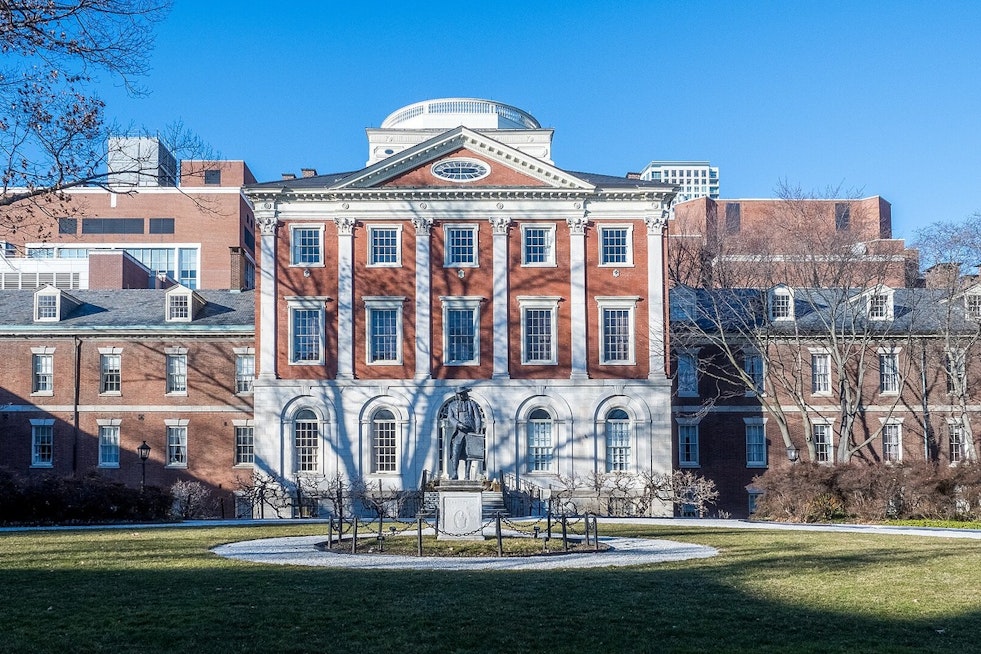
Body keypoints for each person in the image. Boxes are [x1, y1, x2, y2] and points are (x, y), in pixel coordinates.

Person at [446, 387, 483, 480]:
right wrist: (458, 424)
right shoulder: (452, 405)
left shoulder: (472, 404)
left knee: (469, 453)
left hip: (470, 431)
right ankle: (455, 473)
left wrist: (477, 430)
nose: (461, 395)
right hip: (458, 432)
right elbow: (450, 417)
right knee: (455, 452)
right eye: (459, 394)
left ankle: (467, 475)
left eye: (463, 393)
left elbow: (477, 417)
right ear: (457, 395)